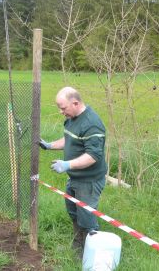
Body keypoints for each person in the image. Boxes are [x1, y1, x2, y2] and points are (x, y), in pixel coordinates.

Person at [39, 87, 107, 254]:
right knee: (73, 212)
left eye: (63, 108)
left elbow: (92, 156)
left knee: (87, 217)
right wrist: (49, 145)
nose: (61, 112)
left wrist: (67, 165)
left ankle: (90, 252)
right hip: (75, 178)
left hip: (88, 180)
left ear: (75, 103)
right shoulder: (72, 118)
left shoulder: (92, 124)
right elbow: (69, 138)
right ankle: (78, 244)